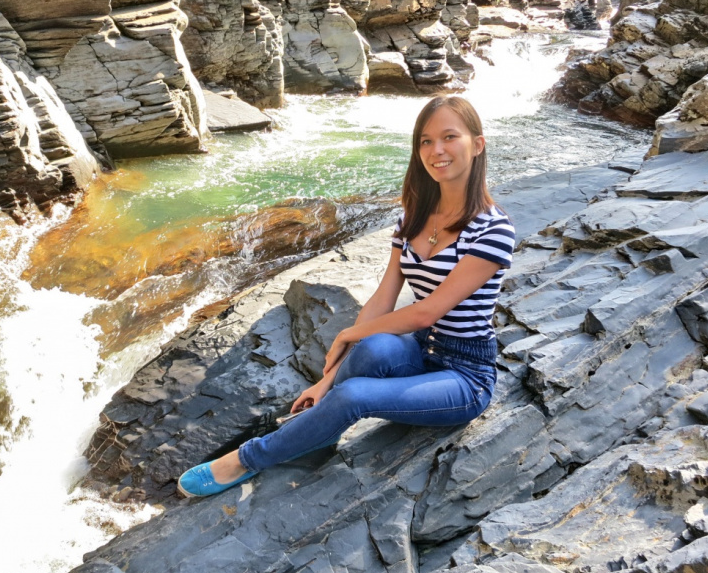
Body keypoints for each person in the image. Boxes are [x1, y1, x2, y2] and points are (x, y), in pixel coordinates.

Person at [178, 96, 516, 498]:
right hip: (419, 352)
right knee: (372, 349)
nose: (436, 150)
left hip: (464, 376)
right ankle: (318, 434)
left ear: (477, 144)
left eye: (449, 137)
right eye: (425, 141)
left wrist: (345, 335)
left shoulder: (494, 230)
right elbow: (384, 297)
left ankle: (246, 459)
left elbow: (427, 312)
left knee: (355, 394)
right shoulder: (412, 217)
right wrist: (327, 381)